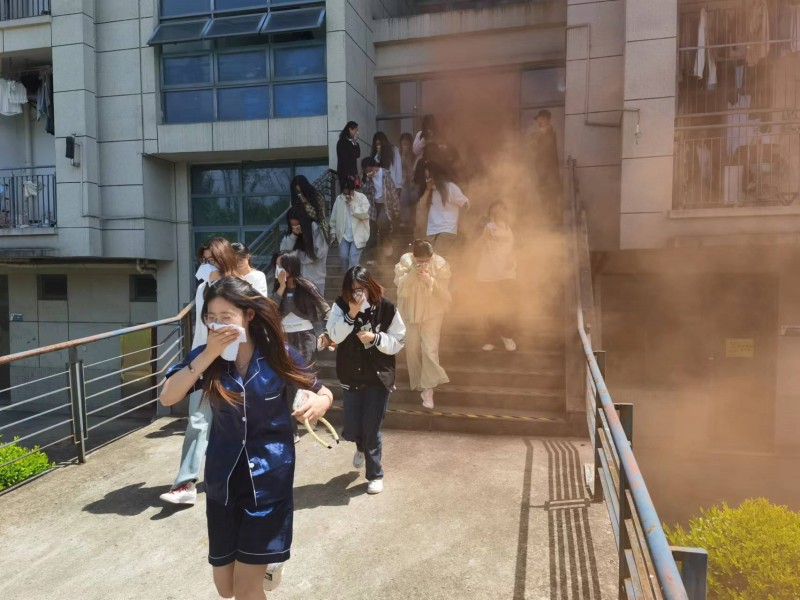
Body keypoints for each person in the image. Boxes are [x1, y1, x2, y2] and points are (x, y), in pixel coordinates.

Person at [160, 277, 333, 599]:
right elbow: (168, 396)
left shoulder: (278, 354)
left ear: (248, 315)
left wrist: (319, 402)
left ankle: (263, 560)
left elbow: (322, 391)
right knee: (225, 589)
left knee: (245, 589)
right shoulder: (207, 360)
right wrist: (208, 354)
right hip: (223, 483)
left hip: (268, 482)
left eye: (226, 317)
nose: (217, 325)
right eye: (211, 318)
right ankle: (267, 563)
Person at [159, 237, 243, 507]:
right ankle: (185, 483)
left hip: (234, 364)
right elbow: (200, 329)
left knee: (236, 423)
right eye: (204, 260)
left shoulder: (241, 287)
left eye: (213, 260)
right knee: (197, 420)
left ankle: (238, 476)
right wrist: (195, 362)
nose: (207, 265)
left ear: (225, 259)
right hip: (205, 361)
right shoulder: (202, 288)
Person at [326, 266, 405, 494]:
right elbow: (334, 335)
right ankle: (360, 446)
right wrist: (350, 315)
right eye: (352, 290)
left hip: (379, 375)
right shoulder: (341, 306)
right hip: (351, 374)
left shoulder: (386, 307)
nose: (357, 294)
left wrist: (376, 338)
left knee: (372, 427)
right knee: (352, 426)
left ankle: (375, 474)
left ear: (370, 286)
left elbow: (399, 340)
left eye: (361, 289)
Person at [394, 240, 451, 409]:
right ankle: (418, 382)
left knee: (429, 348)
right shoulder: (405, 261)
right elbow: (400, 287)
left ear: (432, 256)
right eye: (420, 261)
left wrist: (430, 280)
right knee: (412, 347)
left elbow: (445, 294)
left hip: (433, 312)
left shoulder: (440, 264)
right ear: (414, 256)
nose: (424, 263)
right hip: (409, 310)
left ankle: (428, 388)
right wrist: (413, 271)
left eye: (427, 260)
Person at [272, 250, 331, 366]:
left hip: (305, 335)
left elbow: (326, 310)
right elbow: (271, 309)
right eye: (277, 266)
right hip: (283, 335)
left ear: (291, 266)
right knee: (286, 372)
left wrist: (325, 332)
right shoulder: (278, 288)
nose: (279, 269)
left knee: (305, 371)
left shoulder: (307, 286)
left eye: (281, 266)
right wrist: (281, 287)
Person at [476, 201, 517, 352]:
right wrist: (484, 238)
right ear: (491, 213)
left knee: (505, 307)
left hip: (507, 274)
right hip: (487, 274)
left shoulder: (509, 228)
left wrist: (510, 260)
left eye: (502, 210)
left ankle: (507, 336)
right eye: (495, 211)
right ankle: (491, 339)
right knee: (489, 308)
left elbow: (513, 249)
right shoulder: (488, 227)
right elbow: (477, 246)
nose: (499, 213)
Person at [419, 159, 469, 258]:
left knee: (437, 257)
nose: (427, 180)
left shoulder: (450, 187)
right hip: (432, 230)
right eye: (426, 177)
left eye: (429, 176)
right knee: (430, 259)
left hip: (447, 229)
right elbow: (421, 206)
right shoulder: (429, 190)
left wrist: (461, 224)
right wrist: (428, 189)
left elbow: (465, 204)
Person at [280, 206, 329, 294]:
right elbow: (284, 251)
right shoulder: (291, 234)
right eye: (293, 225)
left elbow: (319, 253)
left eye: (298, 225)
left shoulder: (316, 229)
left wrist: (298, 256)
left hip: (315, 279)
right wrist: (294, 235)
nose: (296, 228)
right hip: (297, 280)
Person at [360, 156, 400, 263]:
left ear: (375, 166)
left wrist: (396, 209)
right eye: (366, 171)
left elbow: (392, 191)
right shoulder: (367, 178)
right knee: (372, 230)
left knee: (383, 224)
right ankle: (372, 257)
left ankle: (386, 255)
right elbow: (364, 191)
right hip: (373, 206)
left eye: (370, 170)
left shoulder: (385, 174)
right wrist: (368, 179)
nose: (369, 172)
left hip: (385, 205)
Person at [526, 109, 562, 222]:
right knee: (545, 196)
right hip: (544, 172)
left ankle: (552, 218)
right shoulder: (542, 134)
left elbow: (544, 149)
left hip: (548, 173)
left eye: (539, 119)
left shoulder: (549, 133)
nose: (538, 122)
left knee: (549, 196)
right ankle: (548, 217)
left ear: (545, 119)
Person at [330, 176, 371, 273]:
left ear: (353, 189)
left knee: (353, 259)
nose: (347, 195)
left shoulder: (361, 197)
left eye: (349, 192)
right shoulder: (339, 199)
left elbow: (364, 214)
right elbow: (334, 217)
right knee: (343, 256)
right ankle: (349, 276)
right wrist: (333, 232)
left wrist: (352, 203)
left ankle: (352, 278)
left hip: (358, 234)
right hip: (344, 235)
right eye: (345, 192)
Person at [290, 174, 331, 247]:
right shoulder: (295, 200)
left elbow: (319, 216)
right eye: (297, 192)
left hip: (317, 230)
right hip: (301, 231)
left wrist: (305, 202)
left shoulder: (317, 196)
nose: (300, 194)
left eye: (301, 192)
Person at [336, 121, 361, 191]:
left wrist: (354, 142)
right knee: (347, 192)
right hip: (345, 174)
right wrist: (349, 175)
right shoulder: (342, 142)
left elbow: (357, 154)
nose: (357, 133)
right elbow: (344, 158)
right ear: (350, 129)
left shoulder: (354, 143)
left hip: (354, 173)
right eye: (356, 130)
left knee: (355, 193)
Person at [398, 132, 416, 229]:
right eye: (403, 144)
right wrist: (403, 156)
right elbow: (399, 167)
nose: (405, 146)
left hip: (411, 181)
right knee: (404, 194)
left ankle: (412, 220)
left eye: (407, 144)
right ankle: (404, 220)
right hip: (400, 182)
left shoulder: (413, 156)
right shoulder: (397, 154)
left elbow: (412, 170)